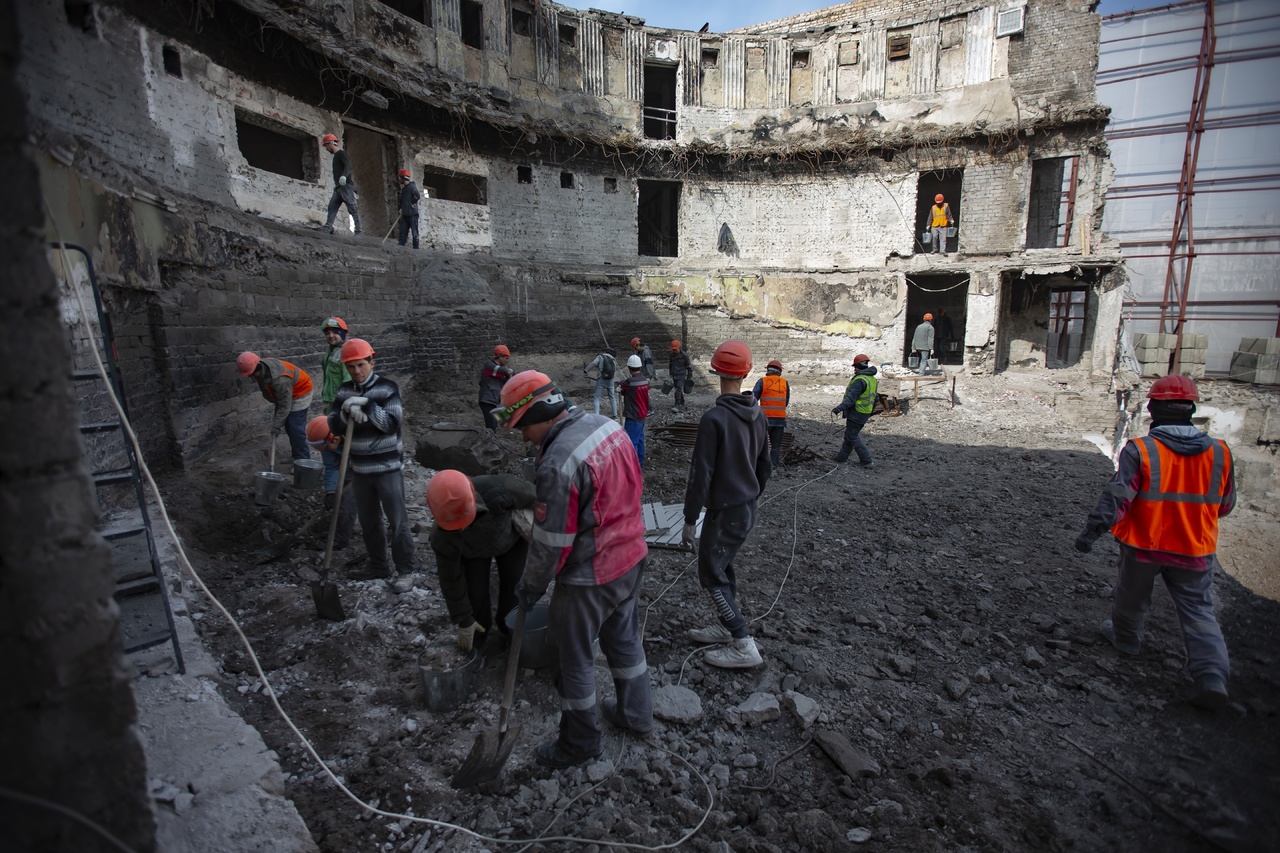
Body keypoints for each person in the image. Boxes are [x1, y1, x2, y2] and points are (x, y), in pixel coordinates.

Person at [498, 370, 653, 768]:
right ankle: (637, 714)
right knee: (623, 639)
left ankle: (579, 743)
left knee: (571, 657)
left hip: (592, 576)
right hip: (631, 556)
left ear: (540, 413)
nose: (523, 437)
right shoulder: (608, 427)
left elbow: (552, 543)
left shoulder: (557, 462)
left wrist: (530, 586)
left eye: (523, 427)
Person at [1075, 375, 1235, 710]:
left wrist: (1091, 533)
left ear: (1152, 409)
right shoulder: (1220, 452)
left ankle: (1126, 640)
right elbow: (1225, 505)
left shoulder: (1142, 450)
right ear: (1191, 409)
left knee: (1130, 598)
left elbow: (1118, 498)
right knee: (1199, 611)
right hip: (1195, 548)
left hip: (1144, 545)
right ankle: (1212, 678)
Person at [681, 340, 772, 669]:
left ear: (716, 372)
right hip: (745, 508)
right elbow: (765, 467)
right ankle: (726, 627)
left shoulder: (714, 419)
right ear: (746, 373)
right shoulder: (759, 415)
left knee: (711, 572)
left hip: (725, 511)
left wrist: (690, 519)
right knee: (724, 564)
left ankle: (743, 642)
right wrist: (749, 495)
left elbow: (700, 475)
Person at [327, 338, 415, 581]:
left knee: (397, 521)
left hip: (388, 467)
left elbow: (390, 424)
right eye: (351, 366)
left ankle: (405, 570)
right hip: (360, 469)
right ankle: (378, 566)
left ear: (371, 362)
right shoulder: (344, 391)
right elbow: (333, 425)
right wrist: (345, 412)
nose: (356, 371)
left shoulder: (388, 388)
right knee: (369, 523)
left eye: (360, 365)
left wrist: (367, 405)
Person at [426, 470, 534, 652]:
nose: (463, 528)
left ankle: (509, 630)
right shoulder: (442, 538)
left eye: (466, 519)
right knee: (475, 593)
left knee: (514, 585)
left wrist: (541, 529)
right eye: (456, 527)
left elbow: (539, 499)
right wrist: (464, 619)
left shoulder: (500, 489)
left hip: (511, 541)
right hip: (473, 553)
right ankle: (479, 638)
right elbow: (451, 579)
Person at [237, 351, 313, 461]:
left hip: (301, 392)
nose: (252, 377)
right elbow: (279, 400)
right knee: (289, 425)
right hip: (287, 393)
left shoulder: (280, 380)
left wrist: (276, 426)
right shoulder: (263, 370)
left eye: (253, 374)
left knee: (295, 427)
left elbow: (284, 405)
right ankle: (296, 455)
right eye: (250, 375)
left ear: (259, 367)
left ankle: (303, 460)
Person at [305, 416, 357, 550]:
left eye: (324, 447)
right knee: (345, 502)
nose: (323, 450)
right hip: (351, 463)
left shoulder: (357, 434)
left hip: (377, 462)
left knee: (384, 497)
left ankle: (394, 532)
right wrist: (331, 491)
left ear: (334, 439)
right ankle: (340, 539)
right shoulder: (327, 445)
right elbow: (332, 467)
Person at [832, 354, 877, 467]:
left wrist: (838, 409)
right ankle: (841, 458)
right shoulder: (872, 379)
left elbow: (851, 399)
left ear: (859, 366)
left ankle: (866, 460)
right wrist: (870, 411)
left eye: (855, 367)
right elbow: (876, 398)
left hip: (856, 412)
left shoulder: (860, 380)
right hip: (865, 412)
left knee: (852, 436)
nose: (854, 369)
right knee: (850, 435)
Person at [752, 359, 790, 468]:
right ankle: (773, 466)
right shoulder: (784, 383)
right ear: (780, 371)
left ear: (768, 370)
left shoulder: (762, 381)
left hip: (765, 419)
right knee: (776, 446)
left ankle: (758, 465)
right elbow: (786, 401)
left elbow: (753, 399)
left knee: (760, 444)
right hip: (780, 420)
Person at [321, 133, 361, 235]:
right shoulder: (336, 156)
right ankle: (328, 227)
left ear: (330, 143)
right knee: (332, 207)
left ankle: (358, 231)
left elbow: (348, 166)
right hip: (339, 187)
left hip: (346, 186)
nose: (326, 149)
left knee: (352, 208)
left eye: (326, 146)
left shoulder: (341, 154)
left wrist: (344, 176)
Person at [618, 354, 650, 465]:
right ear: (640, 366)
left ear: (629, 368)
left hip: (633, 416)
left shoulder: (630, 382)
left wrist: (620, 385)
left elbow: (622, 386)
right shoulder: (645, 380)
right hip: (642, 415)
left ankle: (634, 467)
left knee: (632, 443)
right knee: (640, 440)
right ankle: (640, 464)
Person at [478, 345, 513, 432]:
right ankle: (489, 440)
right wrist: (510, 372)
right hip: (487, 400)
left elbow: (505, 381)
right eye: (506, 358)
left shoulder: (498, 372)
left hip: (495, 401)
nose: (507, 360)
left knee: (495, 424)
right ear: (500, 357)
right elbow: (502, 370)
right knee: (491, 426)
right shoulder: (489, 366)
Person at [319, 317, 351, 411]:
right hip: (330, 399)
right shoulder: (330, 351)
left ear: (342, 334)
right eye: (328, 333)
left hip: (341, 401)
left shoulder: (346, 351)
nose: (331, 335)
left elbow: (348, 379)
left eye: (335, 332)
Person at [583, 347, 618, 418]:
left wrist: (586, 371)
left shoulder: (600, 357)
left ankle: (597, 416)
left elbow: (593, 363)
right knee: (612, 396)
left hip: (601, 378)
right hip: (610, 380)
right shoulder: (613, 359)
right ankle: (615, 415)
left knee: (597, 397)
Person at [396, 169, 421, 249]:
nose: (399, 180)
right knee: (403, 232)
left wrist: (412, 203)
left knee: (414, 233)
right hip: (405, 214)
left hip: (412, 214)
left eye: (400, 178)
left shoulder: (412, 187)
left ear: (403, 178)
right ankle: (401, 248)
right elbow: (401, 201)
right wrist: (401, 208)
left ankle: (415, 249)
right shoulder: (404, 189)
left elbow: (417, 196)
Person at [669, 340, 691, 413]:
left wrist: (689, 378)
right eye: (673, 349)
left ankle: (677, 404)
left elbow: (689, 367)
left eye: (675, 349)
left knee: (678, 389)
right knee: (677, 389)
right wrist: (670, 373)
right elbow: (670, 364)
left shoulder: (684, 356)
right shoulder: (672, 355)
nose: (674, 351)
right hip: (674, 374)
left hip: (681, 375)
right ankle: (682, 401)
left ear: (679, 348)